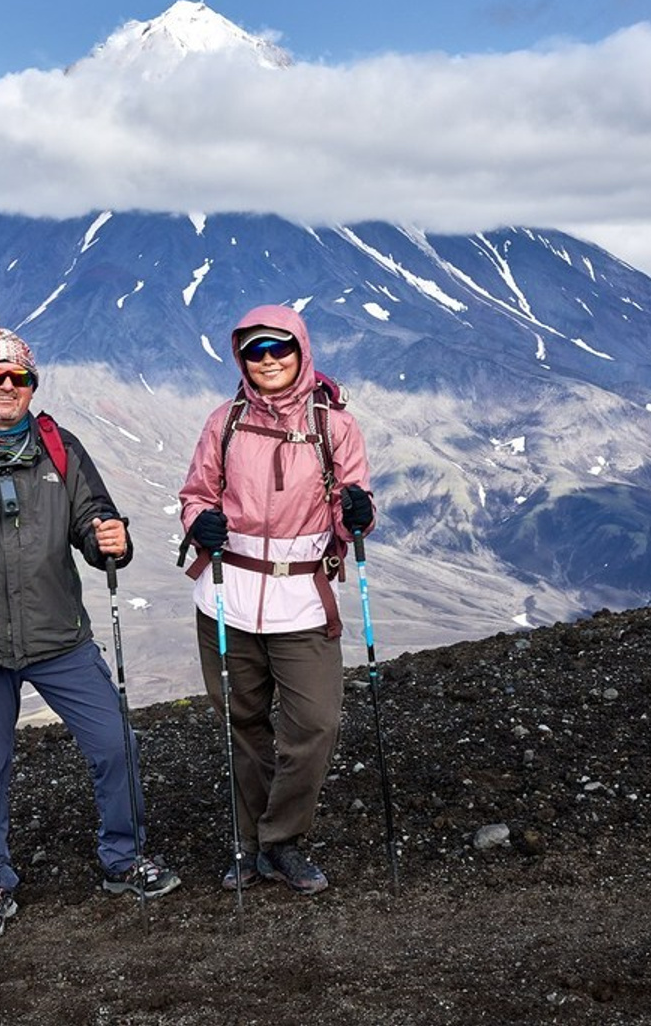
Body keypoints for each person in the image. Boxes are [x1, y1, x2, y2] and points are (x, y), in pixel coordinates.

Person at [0, 325, 180, 944]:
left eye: (19, 377)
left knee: (115, 744)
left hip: (58, 636)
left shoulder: (58, 449)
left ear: (32, 384)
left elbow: (94, 518)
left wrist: (111, 541)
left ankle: (124, 859)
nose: (7, 387)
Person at [178, 304, 375, 896]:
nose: (268, 360)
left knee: (315, 723)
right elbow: (195, 494)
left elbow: (352, 507)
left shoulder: (334, 426)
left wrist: (358, 514)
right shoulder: (224, 421)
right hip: (226, 596)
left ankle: (280, 837)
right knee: (242, 723)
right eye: (256, 351)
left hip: (303, 600)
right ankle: (252, 843)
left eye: (279, 348)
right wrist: (200, 522)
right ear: (241, 356)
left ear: (301, 351)